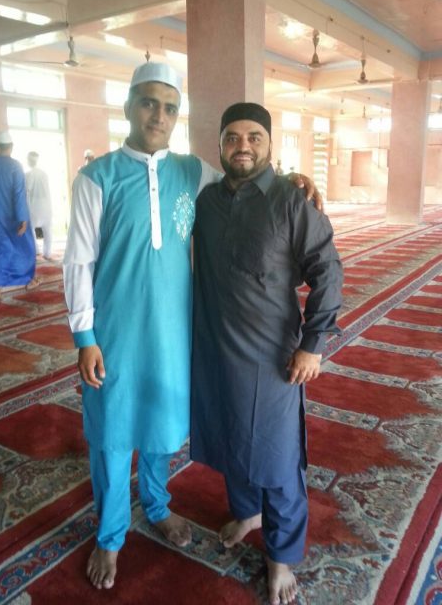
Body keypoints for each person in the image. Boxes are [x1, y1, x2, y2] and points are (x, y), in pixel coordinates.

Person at [63, 62, 321, 592]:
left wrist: (292, 180)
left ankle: (157, 506)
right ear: (129, 107)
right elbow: (77, 263)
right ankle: (111, 536)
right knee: (112, 435)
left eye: (170, 107)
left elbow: (244, 179)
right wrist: (85, 337)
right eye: (148, 103)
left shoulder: (192, 172)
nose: (159, 115)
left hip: (175, 333)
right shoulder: (97, 177)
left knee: (162, 428)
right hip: (113, 335)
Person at [190, 103, 343, 605]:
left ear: (270, 144)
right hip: (215, 348)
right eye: (232, 137)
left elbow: (328, 271)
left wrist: (312, 345)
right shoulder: (207, 200)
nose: (243, 146)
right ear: (220, 145)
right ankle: (248, 513)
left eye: (254, 137)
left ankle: (281, 556)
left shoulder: (291, 201)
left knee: (277, 459)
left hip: (271, 355)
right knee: (231, 436)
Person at [0, 131, 38, 301]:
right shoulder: (15, 166)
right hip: (14, 217)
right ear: (11, 146)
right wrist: (23, 218)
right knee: (26, 248)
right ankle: (28, 279)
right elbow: (19, 193)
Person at [25, 151, 53, 259]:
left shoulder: (28, 174)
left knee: (30, 228)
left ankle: (36, 250)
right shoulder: (44, 174)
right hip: (46, 204)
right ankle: (47, 253)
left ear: (29, 161)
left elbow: (27, 189)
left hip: (34, 206)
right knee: (48, 230)